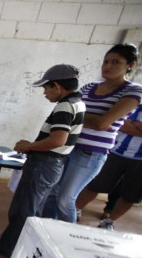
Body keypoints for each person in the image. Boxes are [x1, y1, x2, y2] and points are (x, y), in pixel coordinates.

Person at [0, 64, 85, 258]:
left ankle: (10, 247)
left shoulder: (65, 105)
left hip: (44, 163)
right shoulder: (78, 102)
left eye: (46, 88)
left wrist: (28, 146)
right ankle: (16, 244)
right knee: (30, 206)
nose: (45, 93)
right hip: (53, 165)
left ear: (57, 86)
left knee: (24, 208)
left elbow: (57, 140)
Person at [42, 44, 142, 223]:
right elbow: (65, 110)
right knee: (52, 193)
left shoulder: (133, 91)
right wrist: (95, 120)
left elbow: (100, 123)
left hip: (90, 154)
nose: (107, 66)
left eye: (115, 62)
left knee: (66, 199)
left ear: (130, 65)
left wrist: (83, 117)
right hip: (68, 146)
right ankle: (45, 230)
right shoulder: (89, 87)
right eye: (105, 61)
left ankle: (66, 235)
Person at [75, 105, 142, 230]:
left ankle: (109, 221)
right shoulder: (136, 103)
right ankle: (76, 209)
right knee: (94, 185)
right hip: (115, 151)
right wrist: (134, 126)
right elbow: (120, 123)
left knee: (130, 196)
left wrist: (136, 125)